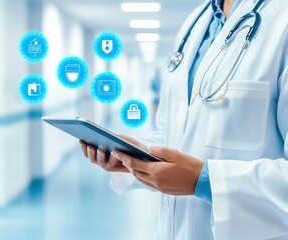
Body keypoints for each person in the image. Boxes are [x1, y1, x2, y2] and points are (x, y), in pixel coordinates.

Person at [80, 0, 288, 239]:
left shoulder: (282, 18)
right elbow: (174, 131)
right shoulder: (196, 22)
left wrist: (204, 181)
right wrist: (136, 155)